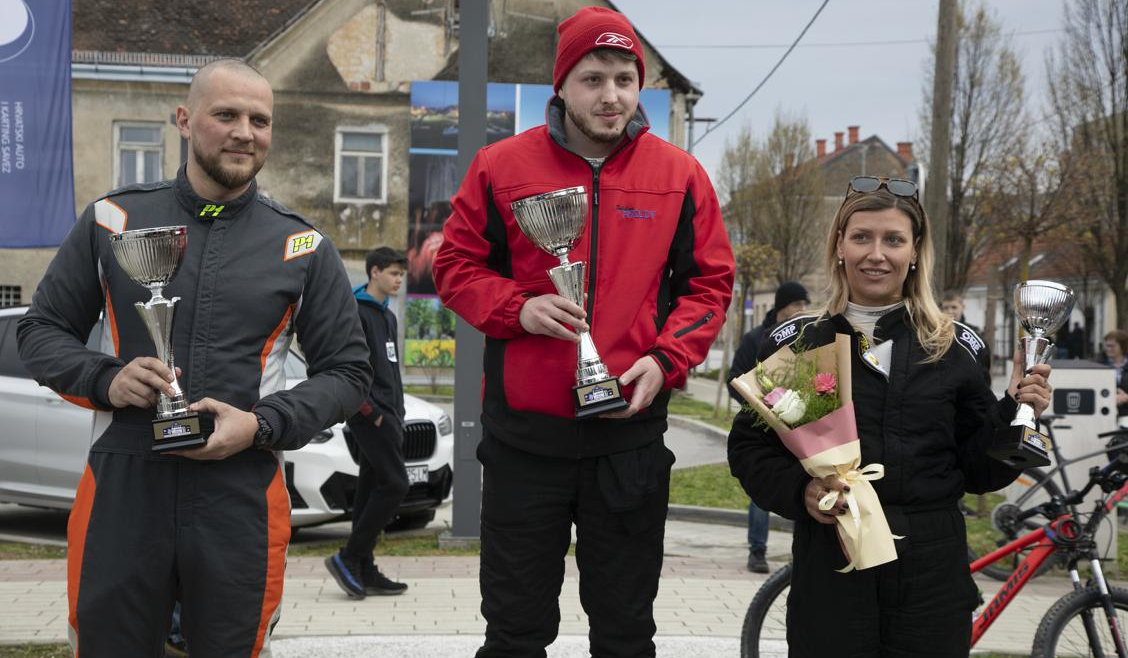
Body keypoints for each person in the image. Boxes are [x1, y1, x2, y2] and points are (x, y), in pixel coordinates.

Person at [17, 59, 371, 657]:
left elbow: (349, 372)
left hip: (242, 491)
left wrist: (261, 424)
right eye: (226, 115)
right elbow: (40, 330)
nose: (244, 133)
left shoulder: (302, 245)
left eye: (260, 120)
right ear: (184, 120)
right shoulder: (112, 220)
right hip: (123, 487)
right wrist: (106, 379)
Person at [431, 7, 735, 657]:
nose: (611, 96)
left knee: (626, 634)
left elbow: (709, 286)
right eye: (593, 79)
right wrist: (518, 308)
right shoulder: (499, 166)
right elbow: (454, 266)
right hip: (523, 444)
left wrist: (666, 359)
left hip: (628, 442)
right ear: (562, 84)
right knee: (514, 633)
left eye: (625, 79)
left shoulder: (679, 176)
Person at [727, 175, 1051, 657]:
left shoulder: (954, 348)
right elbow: (750, 449)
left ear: (915, 251)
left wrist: (1014, 411)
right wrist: (802, 490)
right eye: (862, 237)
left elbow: (979, 471)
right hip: (832, 576)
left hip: (931, 580)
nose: (876, 254)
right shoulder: (802, 343)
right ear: (840, 246)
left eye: (893, 240)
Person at [325, 246, 411, 598]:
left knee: (370, 489)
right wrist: (370, 412)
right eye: (393, 273)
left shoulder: (387, 316)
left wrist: (397, 413)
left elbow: (391, 370)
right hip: (370, 417)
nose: (398, 280)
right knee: (396, 485)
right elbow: (346, 364)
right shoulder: (356, 312)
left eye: (401, 275)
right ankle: (349, 556)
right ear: (374, 272)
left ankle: (364, 567)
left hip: (390, 416)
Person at [727, 281, 810, 574]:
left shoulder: (806, 334)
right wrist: (759, 407)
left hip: (802, 427)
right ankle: (757, 550)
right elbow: (735, 378)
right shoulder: (755, 339)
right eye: (797, 304)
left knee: (807, 488)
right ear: (782, 306)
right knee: (763, 491)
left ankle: (801, 551)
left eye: (804, 304)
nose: (801, 309)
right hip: (765, 427)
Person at [940, 289, 992, 384]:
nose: (949, 311)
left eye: (954, 307)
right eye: (946, 308)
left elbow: (983, 363)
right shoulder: (936, 335)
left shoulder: (974, 333)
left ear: (963, 307)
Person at [1100, 329, 1128, 418]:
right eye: (1107, 346)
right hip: (1104, 414)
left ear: (1122, 346)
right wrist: (1111, 398)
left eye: (1112, 346)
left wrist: (1126, 397)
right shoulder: (1098, 365)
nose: (1108, 349)